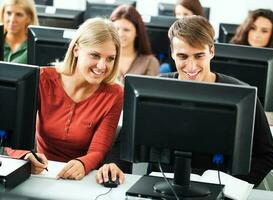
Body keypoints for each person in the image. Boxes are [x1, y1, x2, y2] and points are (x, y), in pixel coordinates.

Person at [159, 16, 273, 186]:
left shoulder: (241, 93)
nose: (191, 66)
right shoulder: (157, 89)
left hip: (219, 190)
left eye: (199, 56)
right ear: (172, 52)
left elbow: (267, 155)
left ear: (212, 52)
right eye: (183, 56)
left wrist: (233, 188)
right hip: (164, 187)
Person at [6, 17, 125, 182]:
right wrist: (24, 156)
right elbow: (12, 136)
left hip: (82, 178)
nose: (102, 66)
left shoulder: (114, 94)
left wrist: (82, 164)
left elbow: (98, 150)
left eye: (110, 58)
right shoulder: (42, 79)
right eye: (95, 55)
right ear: (76, 50)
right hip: (41, 174)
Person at [231, 9, 273, 128]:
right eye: (253, 28)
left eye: (264, 31)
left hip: (266, 128)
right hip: (233, 124)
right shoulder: (229, 58)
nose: (257, 34)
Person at [110, 5, 159, 84]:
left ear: (137, 32)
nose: (120, 34)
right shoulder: (105, 58)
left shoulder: (150, 62)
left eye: (126, 30)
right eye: (116, 29)